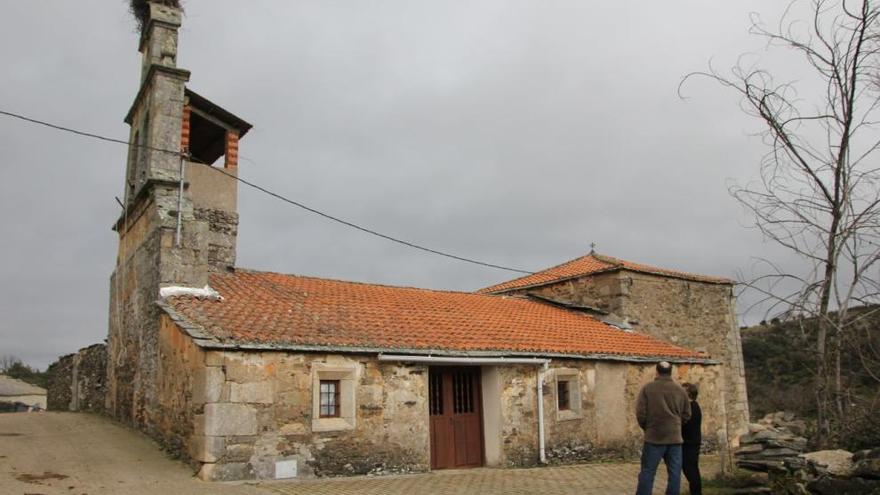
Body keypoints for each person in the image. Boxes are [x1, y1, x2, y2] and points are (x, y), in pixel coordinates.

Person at [635, 361, 691, 495]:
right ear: (671, 372)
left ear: (657, 371)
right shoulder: (680, 390)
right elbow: (687, 414)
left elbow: (641, 413)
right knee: (675, 473)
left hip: (654, 437)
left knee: (648, 472)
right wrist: (676, 425)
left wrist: (648, 427)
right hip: (674, 438)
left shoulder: (648, 389)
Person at [681, 382, 702, 495]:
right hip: (690, 442)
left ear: (688, 393)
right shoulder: (692, 406)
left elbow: (685, 424)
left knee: (690, 470)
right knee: (691, 469)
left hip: (690, 443)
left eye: (683, 391)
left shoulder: (692, 407)